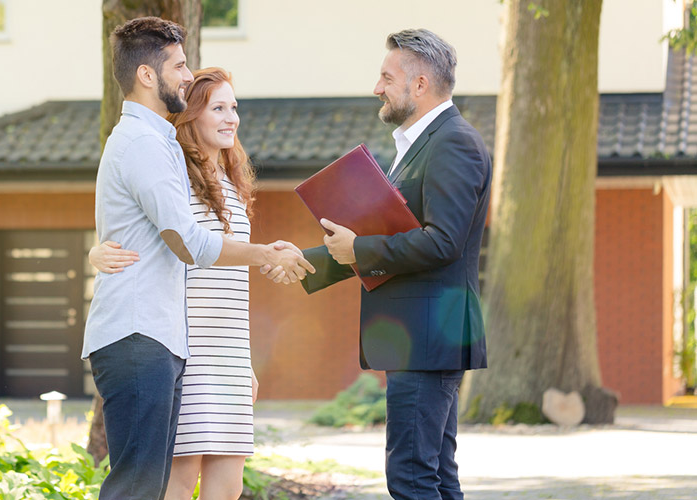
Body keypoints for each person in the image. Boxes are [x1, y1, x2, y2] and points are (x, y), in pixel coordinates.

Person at [84, 17, 314, 500]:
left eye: (235, 108)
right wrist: (263, 254)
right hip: (149, 333)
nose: (186, 76)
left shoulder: (158, 145)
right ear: (149, 75)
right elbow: (186, 241)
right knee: (142, 485)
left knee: (146, 484)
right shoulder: (148, 145)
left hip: (171, 339)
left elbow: (142, 230)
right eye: (180, 65)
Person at [271, 29, 491, 500]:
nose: (377, 87)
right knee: (434, 476)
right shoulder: (420, 144)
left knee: (412, 478)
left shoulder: (453, 142)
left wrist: (362, 250)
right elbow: (387, 233)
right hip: (425, 337)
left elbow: (443, 241)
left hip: (429, 338)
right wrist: (306, 261)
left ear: (419, 84)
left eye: (386, 77)